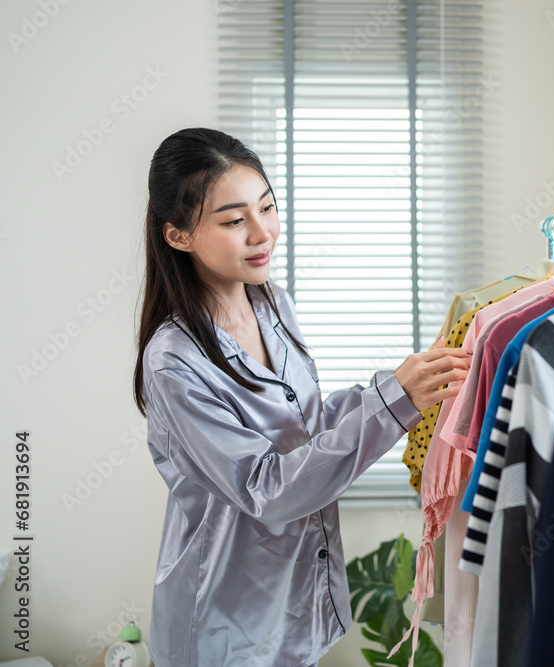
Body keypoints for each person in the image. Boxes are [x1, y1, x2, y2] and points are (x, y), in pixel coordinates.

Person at [131, 127, 470, 666]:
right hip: (225, 625)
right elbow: (267, 489)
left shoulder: (272, 304)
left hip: (297, 605)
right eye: (234, 220)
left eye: (267, 208)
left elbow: (303, 425)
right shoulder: (174, 360)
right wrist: (394, 404)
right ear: (178, 236)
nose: (262, 232)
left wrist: (402, 387)